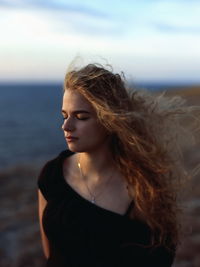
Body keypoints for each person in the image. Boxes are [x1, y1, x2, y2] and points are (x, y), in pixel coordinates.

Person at [37, 63, 195, 267]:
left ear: (110, 120)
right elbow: (50, 253)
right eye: (64, 115)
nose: (66, 126)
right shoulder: (52, 175)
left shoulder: (143, 188)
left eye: (81, 117)